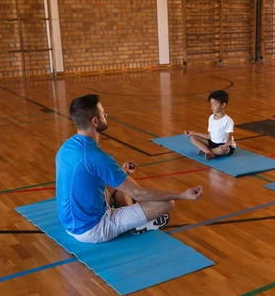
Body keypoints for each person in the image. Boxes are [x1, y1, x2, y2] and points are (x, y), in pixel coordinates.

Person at [56, 94, 203, 244]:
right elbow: (138, 193)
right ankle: (139, 226)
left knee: (120, 191)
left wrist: (123, 172)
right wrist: (182, 195)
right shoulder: (98, 157)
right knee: (166, 203)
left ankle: (127, 213)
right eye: (103, 113)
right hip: (93, 229)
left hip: (70, 224)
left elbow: (89, 178)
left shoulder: (66, 147)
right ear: (95, 121)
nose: (105, 116)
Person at [185, 90, 236, 160]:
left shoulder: (228, 120)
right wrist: (193, 133)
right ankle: (210, 152)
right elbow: (209, 136)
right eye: (211, 104)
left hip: (224, 145)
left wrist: (226, 146)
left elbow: (229, 140)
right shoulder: (211, 118)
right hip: (213, 143)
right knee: (192, 137)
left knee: (222, 150)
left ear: (223, 105)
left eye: (214, 104)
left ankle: (207, 151)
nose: (212, 107)